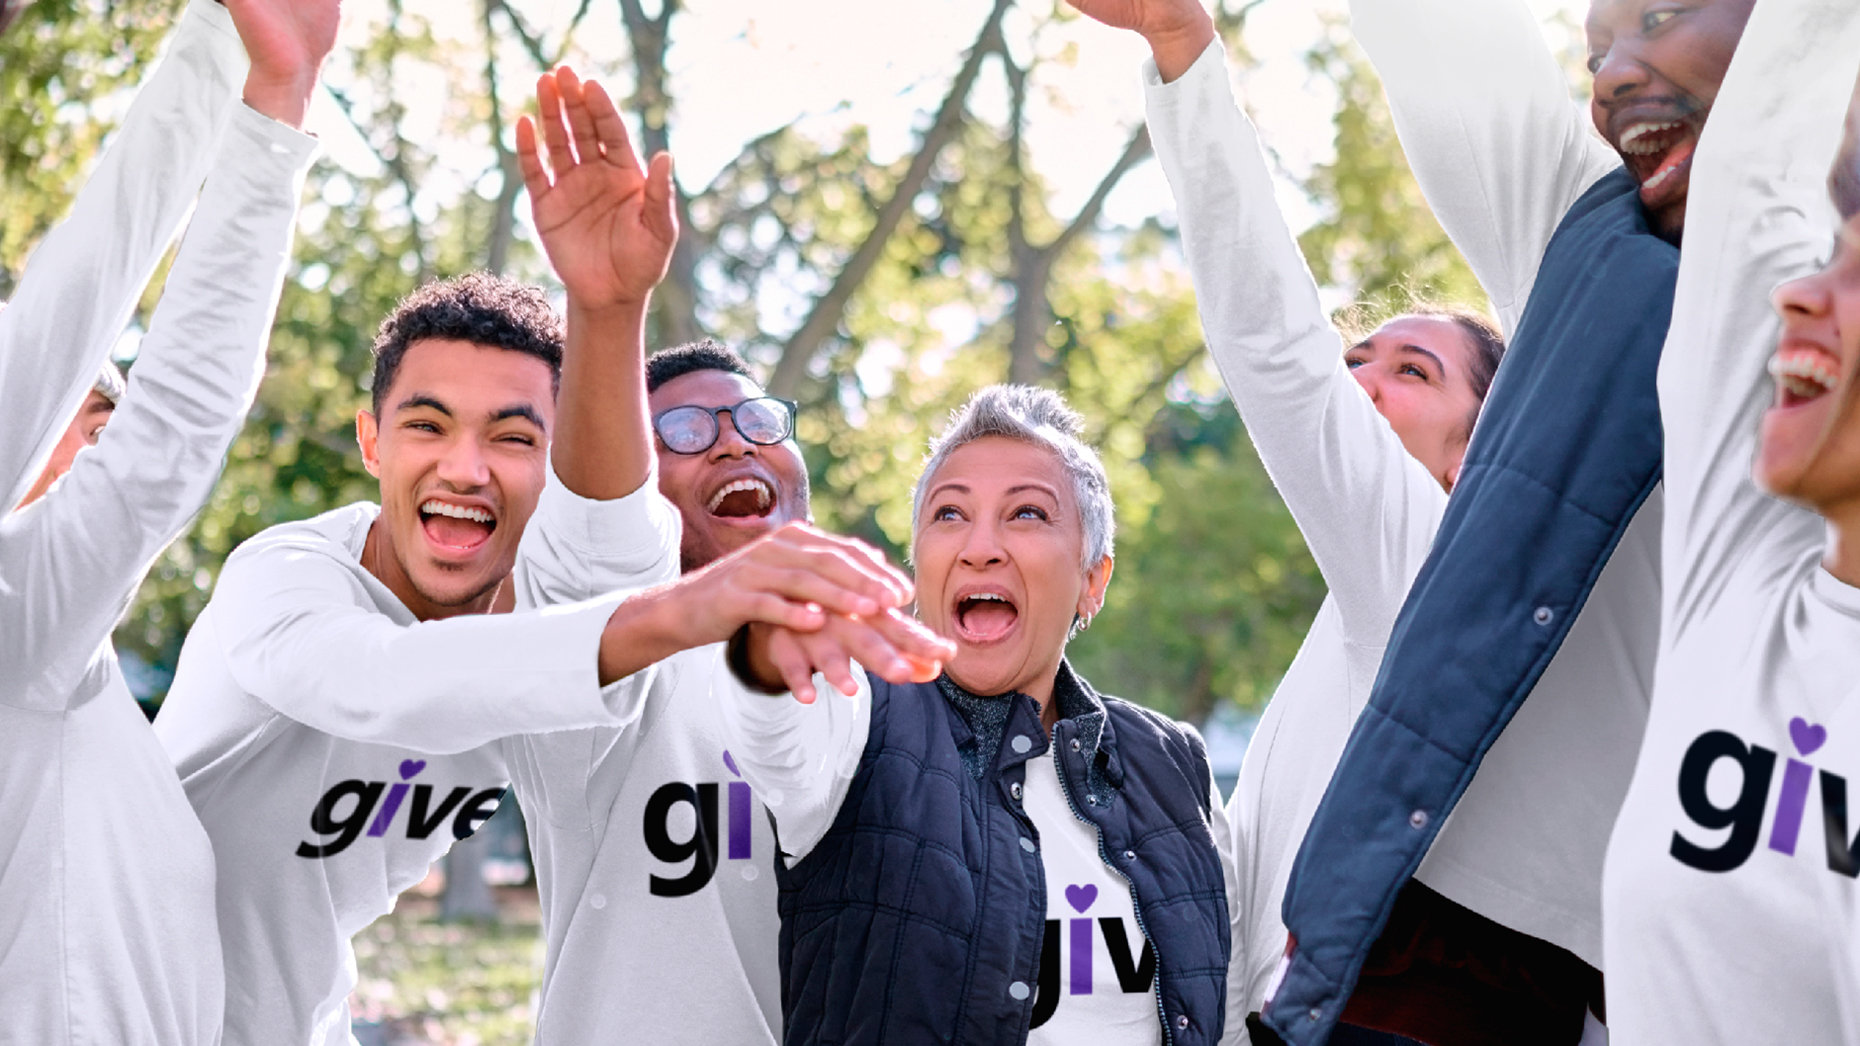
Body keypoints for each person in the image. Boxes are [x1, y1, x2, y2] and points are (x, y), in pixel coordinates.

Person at [150, 66, 937, 1046]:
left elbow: (606, 544)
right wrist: (695, 605)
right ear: (370, 441)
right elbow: (378, 683)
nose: (468, 467)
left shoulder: (556, 635)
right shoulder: (287, 577)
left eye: (517, 438)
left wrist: (607, 310)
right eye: (428, 425)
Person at [1252, 0, 1763, 1038]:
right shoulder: (1598, 239)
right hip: (1446, 948)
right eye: (1597, 49)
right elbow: (1440, 35)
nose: (1616, 72)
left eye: (1657, 19)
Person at [1068, 3, 1507, 1040]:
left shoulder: (1433, 561)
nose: (1359, 382)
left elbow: (1276, 343)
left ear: (1480, 439)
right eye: (1356, 358)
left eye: (1412, 369)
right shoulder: (1366, 610)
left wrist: (1184, 55)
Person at [496, 68, 948, 1045]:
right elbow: (597, 538)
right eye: (687, 430)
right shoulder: (600, 665)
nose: (736, 441)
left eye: (753, 417)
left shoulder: (896, 678)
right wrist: (608, 312)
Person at [0, 0, 331, 1038]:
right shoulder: (22, 637)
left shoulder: (61, 665)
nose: (96, 435)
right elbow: (163, 412)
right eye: (80, 410)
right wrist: (267, 95)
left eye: (103, 410)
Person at [716, 384, 1233, 1046]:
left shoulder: (1174, 762)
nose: (979, 546)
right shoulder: (855, 719)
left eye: (1026, 515)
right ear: (917, 564)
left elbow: (1230, 999)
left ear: (1093, 580)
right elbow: (773, 729)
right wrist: (769, 648)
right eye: (950, 514)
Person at [1600, 3, 1860, 1039]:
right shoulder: (1741, 573)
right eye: (1830, 250)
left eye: (1856, 275)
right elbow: (1755, 177)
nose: (1801, 293)